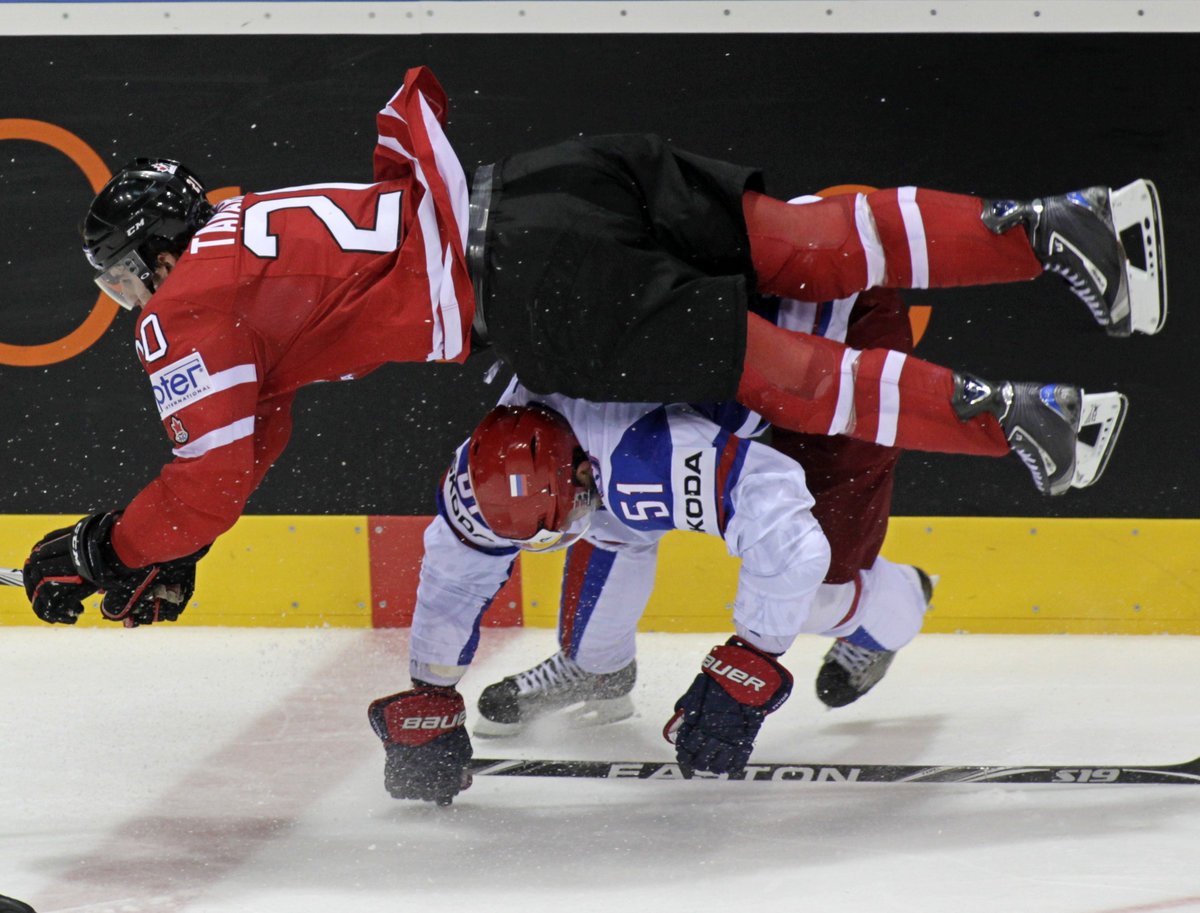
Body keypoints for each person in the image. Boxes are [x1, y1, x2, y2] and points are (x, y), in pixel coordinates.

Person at [20, 65, 1161, 627]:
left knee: (781, 374)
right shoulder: (249, 234)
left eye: (122, 275)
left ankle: (1031, 416)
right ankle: (1065, 226)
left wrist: (103, 547)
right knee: (804, 240)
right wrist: (171, 552)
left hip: (529, 289)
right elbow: (250, 440)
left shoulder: (186, 302)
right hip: (543, 190)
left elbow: (211, 466)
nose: (128, 303)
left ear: (152, 254)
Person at [367, 368, 936, 805]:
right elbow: (456, 580)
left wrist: (750, 664)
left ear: (586, 467)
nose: (568, 526)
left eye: (573, 506)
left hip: (808, 390)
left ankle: (901, 606)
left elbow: (790, 545)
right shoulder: (491, 468)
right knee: (612, 526)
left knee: (815, 588)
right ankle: (597, 666)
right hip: (660, 405)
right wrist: (430, 689)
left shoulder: (651, 455)